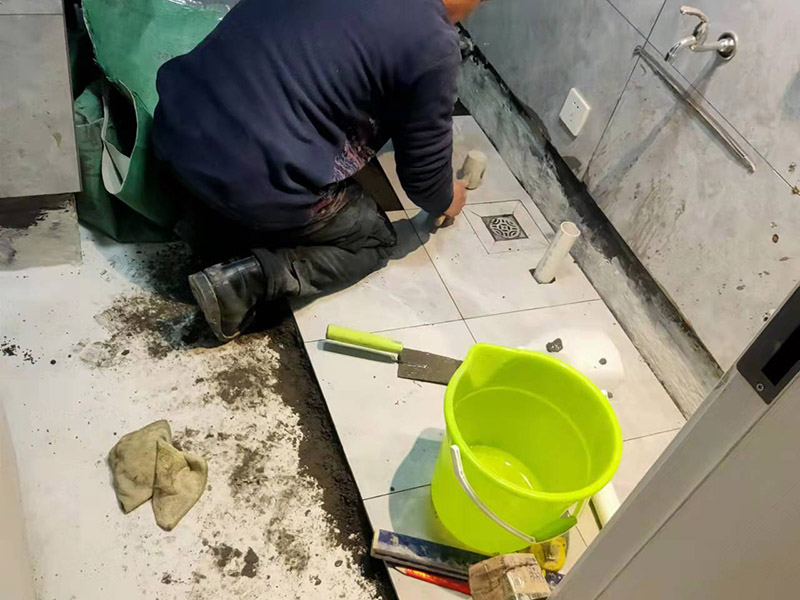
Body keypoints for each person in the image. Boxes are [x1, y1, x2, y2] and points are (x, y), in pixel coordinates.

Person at [152, 0, 483, 341]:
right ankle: (245, 283)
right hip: (247, 179)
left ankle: (205, 216)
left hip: (173, 125)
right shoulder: (432, 43)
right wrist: (447, 198)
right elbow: (423, 180)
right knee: (373, 238)